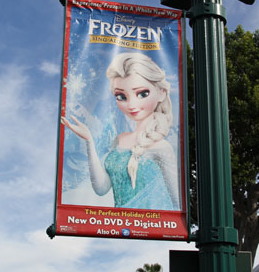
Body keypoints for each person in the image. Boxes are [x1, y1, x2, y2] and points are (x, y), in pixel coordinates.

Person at [61, 52, 180, 210]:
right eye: (121, 96)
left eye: (142, 94)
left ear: (161, 93)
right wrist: (89, 141)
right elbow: (102, 188)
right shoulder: (119, 140)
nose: (131, 105)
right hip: (121, 226)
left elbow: (177, 201)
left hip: (154, 226)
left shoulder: (162, 147)